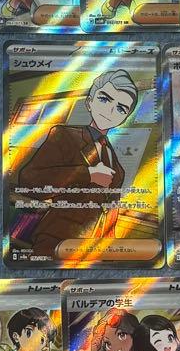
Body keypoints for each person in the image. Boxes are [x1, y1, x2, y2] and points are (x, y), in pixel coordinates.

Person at [15, 69, 140, 256]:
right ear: (89, 102)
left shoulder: (112, 157)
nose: (111, 111)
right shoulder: (65, 135)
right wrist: (88, 174)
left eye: (121, 109)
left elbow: (111, 207)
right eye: (104, 99)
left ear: (124, 119)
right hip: (58, 238)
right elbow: (28, 181)